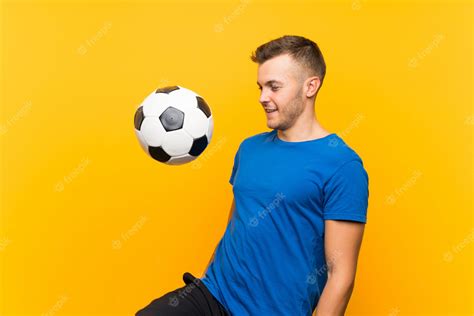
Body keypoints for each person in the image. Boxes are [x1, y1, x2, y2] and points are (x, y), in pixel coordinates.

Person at [136, 35, 369, 316]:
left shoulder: (342, 165)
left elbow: (340, 276)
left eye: (274, 87)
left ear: (310, 86)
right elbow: (237, 222)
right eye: (260, 87)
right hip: (214, 294)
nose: (262, 98)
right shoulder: (250, 148)